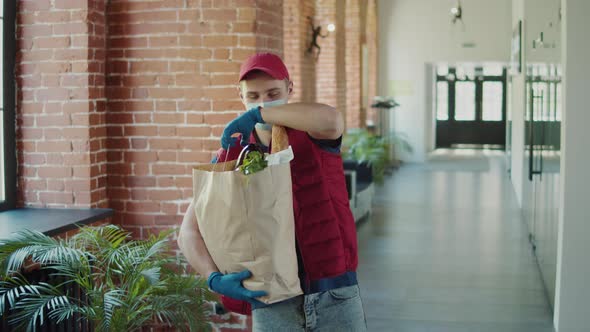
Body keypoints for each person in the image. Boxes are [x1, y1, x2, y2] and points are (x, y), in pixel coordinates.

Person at [178, 53, 367, 331]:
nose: (263, 102)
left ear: (289, 89)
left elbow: (333, 120)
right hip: (272, 299)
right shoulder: (232, 155)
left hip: (334, 292)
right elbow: (188, 232)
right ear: (239, 95)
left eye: (273, 93)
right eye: (252, 96)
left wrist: (259, 115)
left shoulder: (314, 134)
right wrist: (213, 278)